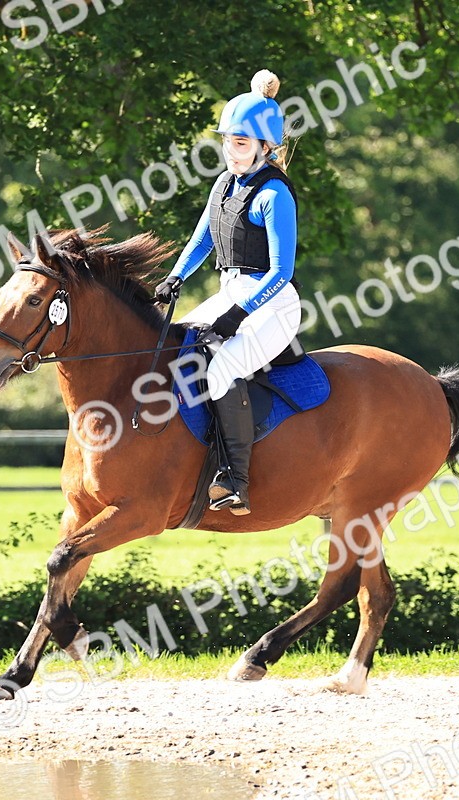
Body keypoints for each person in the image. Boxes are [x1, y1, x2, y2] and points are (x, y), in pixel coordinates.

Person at [152, 69, 301, 516]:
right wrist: (175, 277)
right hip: (231, 290)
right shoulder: (223, 184)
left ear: (264, 146)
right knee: (177, 346)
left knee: (220, 370)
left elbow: (282, 271)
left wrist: (238, 314)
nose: (231, 151)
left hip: (272, 303)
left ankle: (235, 480)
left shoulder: (274, 196)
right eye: (227, 141)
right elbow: (202, 240)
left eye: (241, 143)